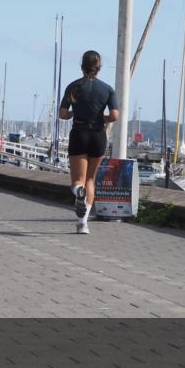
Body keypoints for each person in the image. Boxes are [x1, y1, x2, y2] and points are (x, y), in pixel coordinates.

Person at [59, 50, 119, 234]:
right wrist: (102, 119)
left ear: (82, 66)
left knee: (78, 181)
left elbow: (62, 114)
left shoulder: (73, 87)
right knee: (91, 179)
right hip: (98, 136)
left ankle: (78, 192)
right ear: (98, 67)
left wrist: (72, 114)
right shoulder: (107, 89)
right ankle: (83, 223)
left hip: (79, 133)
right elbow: (115, 115)